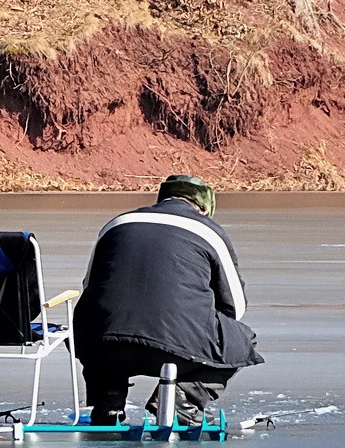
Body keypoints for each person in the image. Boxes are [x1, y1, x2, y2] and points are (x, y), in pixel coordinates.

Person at [73, 174, 262, 426]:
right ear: (205, 209)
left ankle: (108, 400)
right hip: (177, 346)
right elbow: (235, 306)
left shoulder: (117, 223)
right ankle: (183, 400)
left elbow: (90, 287)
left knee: (101, 322)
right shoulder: (207, 230)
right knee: (243, 340)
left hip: (101, 344)